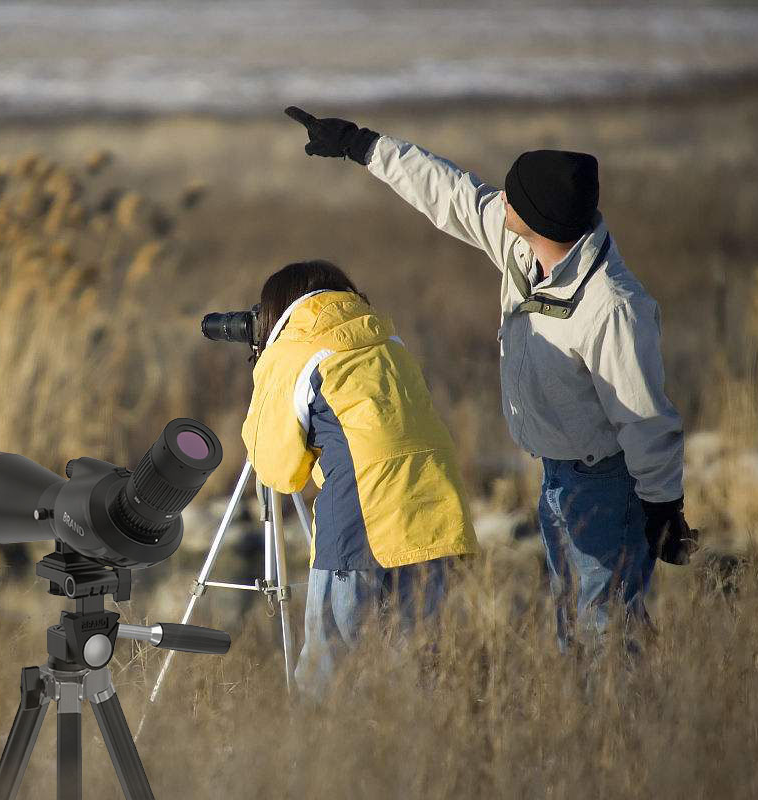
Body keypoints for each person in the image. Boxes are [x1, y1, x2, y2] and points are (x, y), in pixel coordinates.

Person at [285, 106, 697, 655]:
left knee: (606, 634)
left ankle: (625, 735)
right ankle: (591, 737)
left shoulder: (613, 307)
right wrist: (363, 146)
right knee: (575, 629)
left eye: (511, 195)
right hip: (557, 476)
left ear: (542, 216)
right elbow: (450, 194)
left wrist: (663, 506)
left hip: (605, 485)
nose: (498, 200)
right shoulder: (523, 249)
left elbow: (645, 417)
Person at [240, 260, 478, 700]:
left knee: (330, 677)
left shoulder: (293, 349)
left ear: (276, 312)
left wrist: (264, 387)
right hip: (433, 515)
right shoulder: (387, 339)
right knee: (416, 672)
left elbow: (279, 470)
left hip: (357, 522)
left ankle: (321, 764)